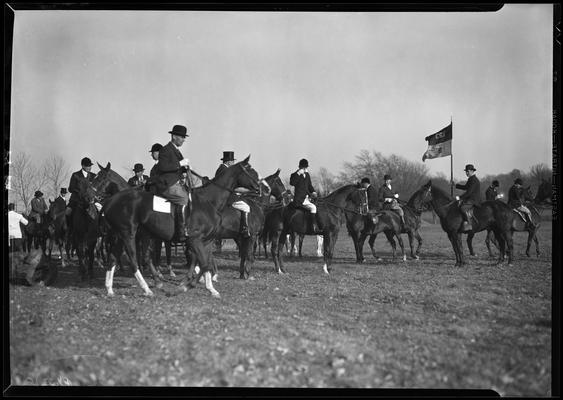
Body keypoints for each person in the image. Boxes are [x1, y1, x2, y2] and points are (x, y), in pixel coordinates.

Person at [155, 124, 191, 240]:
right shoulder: (166, 149)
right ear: (174, 136)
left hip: (176, 182)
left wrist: (184, 171)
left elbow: (178, 169)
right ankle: (181, 230)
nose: (184, 140)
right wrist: (180, 164)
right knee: (184, 199)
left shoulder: (176, 151)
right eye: (182, 137)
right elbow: (163, 167)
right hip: (167, 184)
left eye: (184, 137)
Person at [215, 151, 251, 237]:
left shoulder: (221, 169)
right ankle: (245, 228)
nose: (233, 163)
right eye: (232, 161)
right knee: (246, 207)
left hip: (226, 194)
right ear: (228, 162)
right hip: (227, 197)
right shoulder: (224, 170)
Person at [290, 158, 321, 234]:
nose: (305, 169)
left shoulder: (307, 175)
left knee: (319, 206)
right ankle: (312, 227)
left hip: (307, 198)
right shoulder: (294, 175)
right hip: (299, 200)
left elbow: (309, 185)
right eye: (304, 167)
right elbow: (292, 183)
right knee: (313, 207)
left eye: (306, 167)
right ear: (300, 167)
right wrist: (298, 174)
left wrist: (313, 191)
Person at [454, 164, 481, 232]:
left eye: (468, 171)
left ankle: (468, 224)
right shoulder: (471, 179)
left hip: (473, 200)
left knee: (463, 208)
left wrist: (460, 197)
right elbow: (466, 187)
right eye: (466, 171)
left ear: (472, 171)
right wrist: (456, 185)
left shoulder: (474, 180)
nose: (466, 173)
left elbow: (469, 192)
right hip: (470, 199)